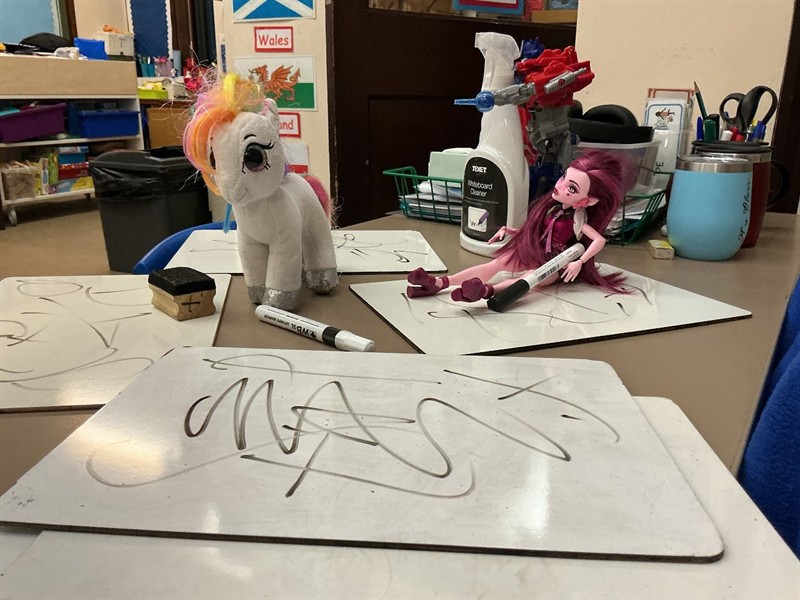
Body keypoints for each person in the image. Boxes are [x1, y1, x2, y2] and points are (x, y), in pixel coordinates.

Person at [407, 149, 629, 302]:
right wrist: (512, 231)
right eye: (563, 178)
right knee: (497, 263)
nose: (560, 186)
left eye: (571, 188)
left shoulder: (577, 220)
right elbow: (539, 231)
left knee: (531, 278)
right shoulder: (551, 209)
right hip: (533, 250)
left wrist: (579, 262)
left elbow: (598, 240)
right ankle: (440, 282)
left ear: (587, 201)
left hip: (554, 263)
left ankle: (486, 291)